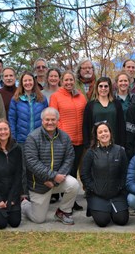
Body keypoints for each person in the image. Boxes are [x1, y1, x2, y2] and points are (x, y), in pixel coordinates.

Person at [22, 107, 80, 224]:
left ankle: (62, 212)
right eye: (47, 119)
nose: (50, 122)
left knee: (73, 184)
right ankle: (24, 204)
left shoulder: (64, 137)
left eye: (53, 119)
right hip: (39, 183)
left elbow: (69, 158)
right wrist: (51, 177)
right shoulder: (32, 137)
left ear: (58, 120)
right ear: (42, 120)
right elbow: (32, 162)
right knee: (38, 219)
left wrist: (57, 178)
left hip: (57, 180)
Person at [49, 71, 87, 207]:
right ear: (61, 81)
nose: (69, 82)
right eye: (66, 80)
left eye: (71, 80)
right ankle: (67, 201)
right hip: (64, 141)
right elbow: (53, 118)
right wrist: (61, 135)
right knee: (66, 170)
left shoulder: (81, 97)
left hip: (80, 139)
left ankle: (70, 199)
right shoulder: (56, 96)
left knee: (74, 170)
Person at [80, 122, 129, 227]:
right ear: (97, 136)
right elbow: (84, 174)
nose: (103, 134)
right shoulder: (91, 152)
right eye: (100, 132)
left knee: (122, 220)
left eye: (106, 131)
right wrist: (92, 188)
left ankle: (113, 209)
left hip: (117, 194)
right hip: (97, 195)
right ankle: (100, 209)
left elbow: (125, 172)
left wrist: (120, 186)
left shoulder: (120, 150)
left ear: (110, 133)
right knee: (103, 222)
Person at [83, 76, 126, 148]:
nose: (103, 88)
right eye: (100, 86)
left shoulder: (116, 104)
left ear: (110, 88)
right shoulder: (90, 105)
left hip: (115, 143)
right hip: (96, 145)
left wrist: (122, 144)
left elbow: (121, 124)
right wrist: (87, 144)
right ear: (97, 88)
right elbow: (86, 126)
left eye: (106, 86)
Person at [8, 71, 48, 144]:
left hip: (39, 140)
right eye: (25, 81)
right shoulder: (16, 99)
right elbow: (12, 120)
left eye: (30, 80)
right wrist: (13, 137)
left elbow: (46, 119)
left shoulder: (42, 99)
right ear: (22, 83)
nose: (27, 83)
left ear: (34, 82)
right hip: (22, 140)